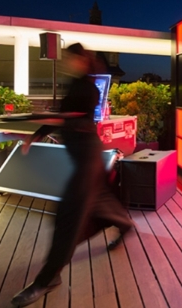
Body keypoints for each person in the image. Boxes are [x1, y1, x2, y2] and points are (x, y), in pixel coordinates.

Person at [11, 43, 134, 307]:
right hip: (84, 161)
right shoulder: (74, 84)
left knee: (69, 218)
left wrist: (40, 121)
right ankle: (125, 224)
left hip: (88, 160)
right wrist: (35, 135)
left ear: (81, 60)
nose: (67, 62)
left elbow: (73, 118)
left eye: (70, 59)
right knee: (98, 204)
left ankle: (47, 279)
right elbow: (61, 116)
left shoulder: (89, 88)